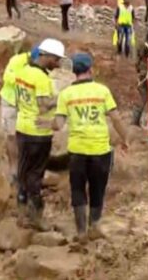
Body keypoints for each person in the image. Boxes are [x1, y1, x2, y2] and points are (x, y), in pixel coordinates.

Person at [49, 53, 129, 243]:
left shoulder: (66, 94)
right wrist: (125, 138)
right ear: (90, 70)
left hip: (77, 151)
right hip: (100, 149)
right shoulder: (102, 91)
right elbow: (116, 118)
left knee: (77, 189)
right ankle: (94, 226)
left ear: (73, 72)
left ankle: (80, 232)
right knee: (97, 189)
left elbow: (58, 124)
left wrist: (45, 122)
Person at [15, 38, 66, 230]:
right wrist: (60, 99)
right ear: (47, 56)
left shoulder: (23, 72)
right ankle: (35, 217)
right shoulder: (42, 79)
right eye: (56, 59)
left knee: (23, 170)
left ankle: (21, 212)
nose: (58, 64)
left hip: (22, 128)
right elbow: (44, 105)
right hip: (38, 132)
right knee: (36, 173)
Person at [0, 46, 38, 188]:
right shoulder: (17, 60)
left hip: (27, 105)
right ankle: (14, 170)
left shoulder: (41, 66)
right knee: (11, 136)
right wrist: (27, 79)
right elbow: (7, 78)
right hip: (10, 101)